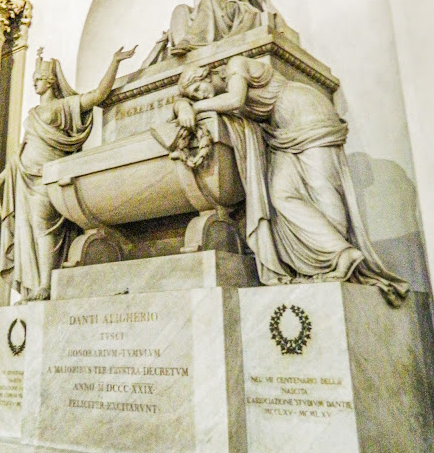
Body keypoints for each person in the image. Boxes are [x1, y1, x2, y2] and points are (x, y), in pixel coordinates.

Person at [174, 57, 408, 306]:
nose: (201, 97)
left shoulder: (235, 66)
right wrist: (183, 106)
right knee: (281, 195)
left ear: (208, 74)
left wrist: (195, 108)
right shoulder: (215, 96)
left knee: (322, 189)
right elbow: (177, 102)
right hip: (280, 132)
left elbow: (235, 100)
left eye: (200, 89)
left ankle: (342, 258)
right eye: (196, 96)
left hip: (305, 113)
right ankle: (339, 253)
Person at [0, 46, 136, 302]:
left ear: (51, 81)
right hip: (24, 177)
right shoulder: (32, 114)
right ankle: (35, 285)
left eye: (39, 79)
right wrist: (4, 175)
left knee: (43, 227)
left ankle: (46, 284)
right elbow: (23, 148)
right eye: (33, 79)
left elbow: (98, 95)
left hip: (47, 177)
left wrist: (115, 61)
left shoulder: (64, 106)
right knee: (29, 231)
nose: (35, 83)